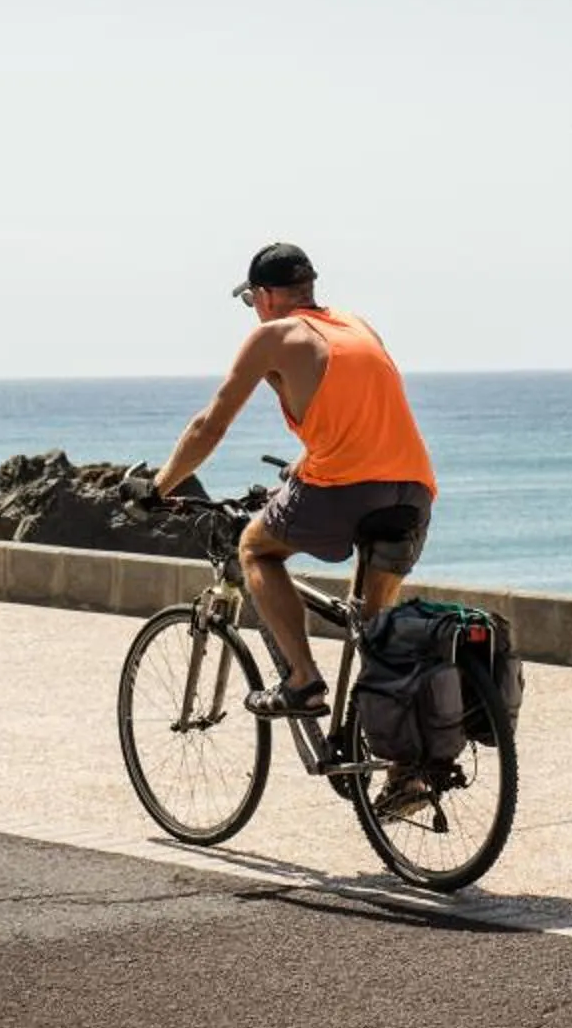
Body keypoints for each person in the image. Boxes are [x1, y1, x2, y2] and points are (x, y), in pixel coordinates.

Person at [124, 242, 437, 721]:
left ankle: (302, 680)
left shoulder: (273, 336)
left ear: (266, 296)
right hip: (412, 488)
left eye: (251, 301)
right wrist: (303, 464)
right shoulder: (356, 326)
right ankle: (406, 772)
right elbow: (361, 419)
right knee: (377, 634)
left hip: (344, 487)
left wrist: (159, 487)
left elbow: (210, 425)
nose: (254, 312)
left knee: (255, 549)